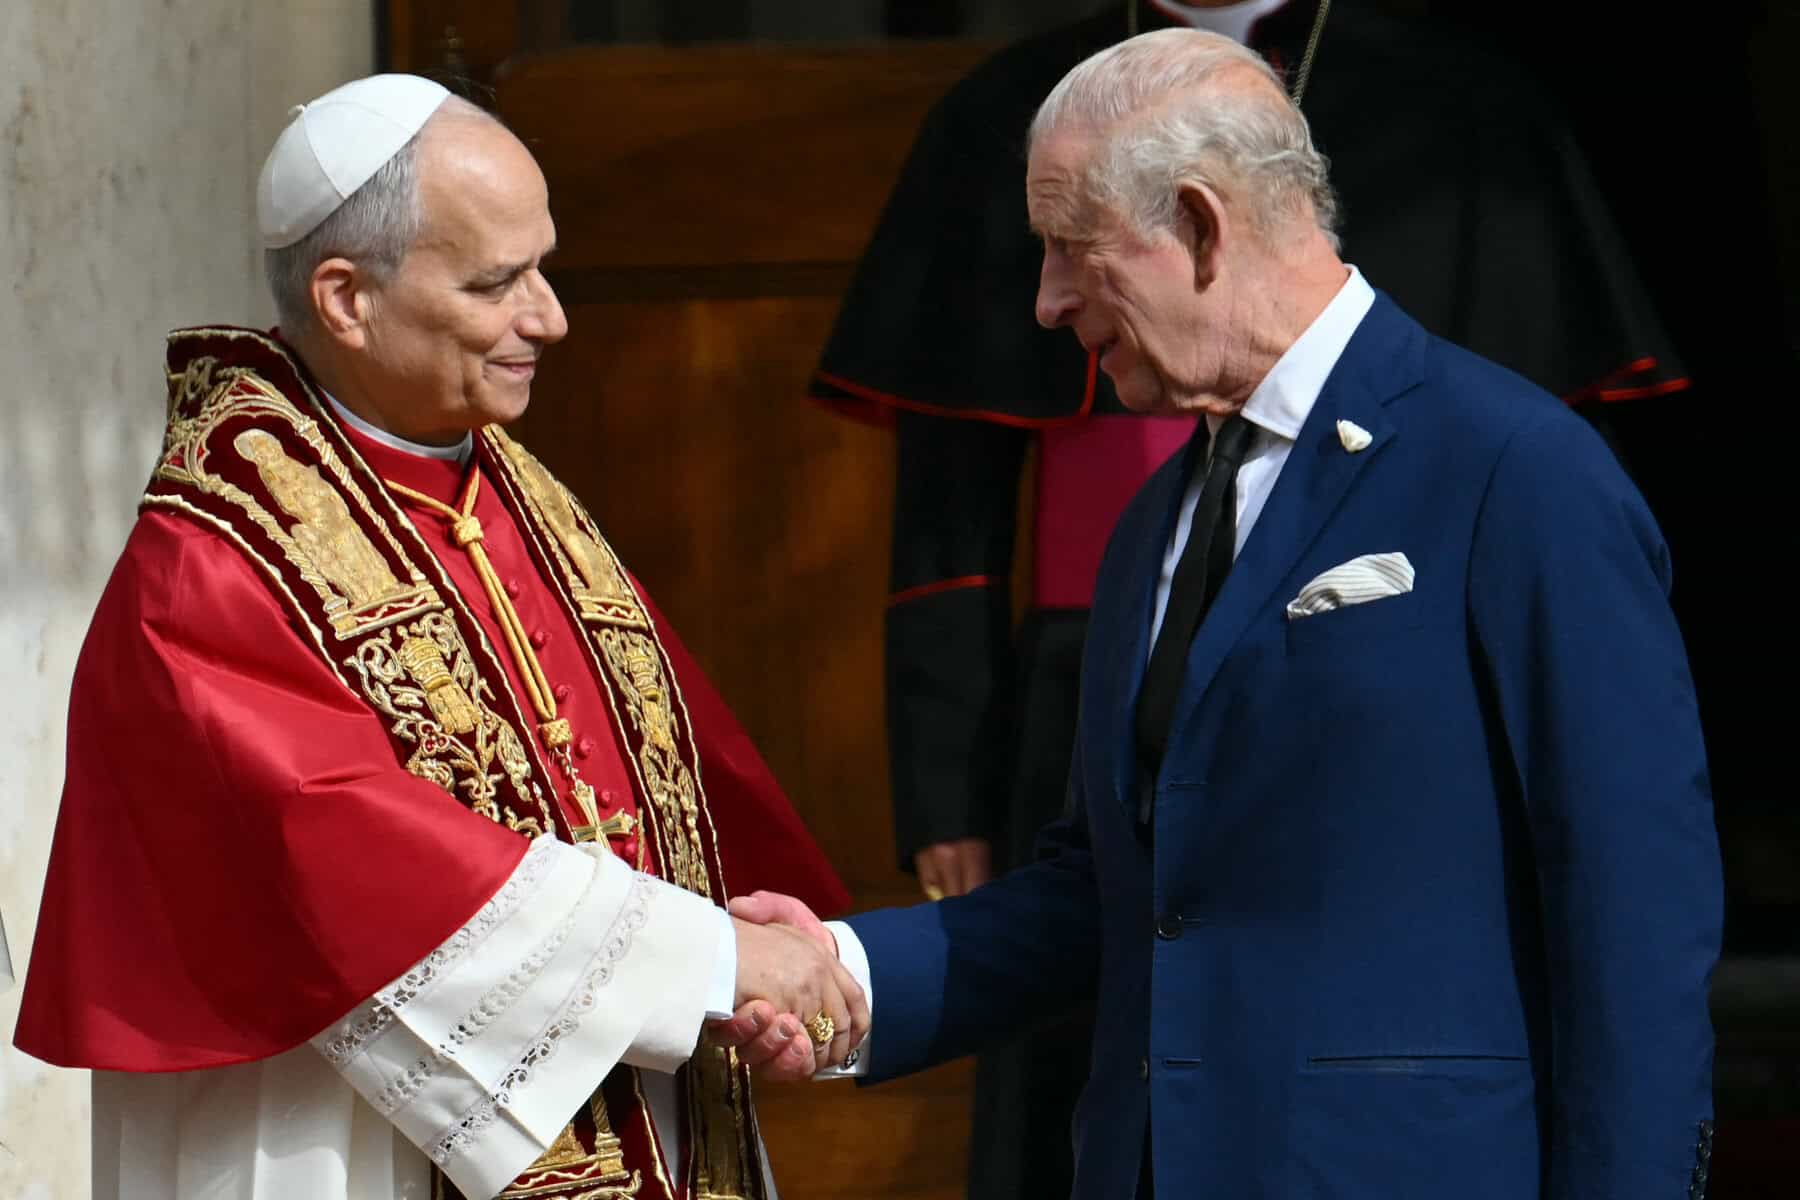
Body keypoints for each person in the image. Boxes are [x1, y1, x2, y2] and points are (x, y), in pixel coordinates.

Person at [732, 28, 1722, 1199]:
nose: (1047, 302)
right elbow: (1114, 891)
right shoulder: (1156, 520)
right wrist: (844, 968)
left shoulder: (1515, 468)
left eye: (1071, 247)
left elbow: (1632, 914)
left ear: (1201, 224)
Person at [12, 75, 866, 1200]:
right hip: (356, 1136)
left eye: (544, 267)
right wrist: (706, 962)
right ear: (346, 298)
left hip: (633, 1093)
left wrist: (772, 963)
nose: (550, 317)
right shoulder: (216, 552)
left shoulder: (509, 489)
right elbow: (340, 842)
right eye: (496, 282)